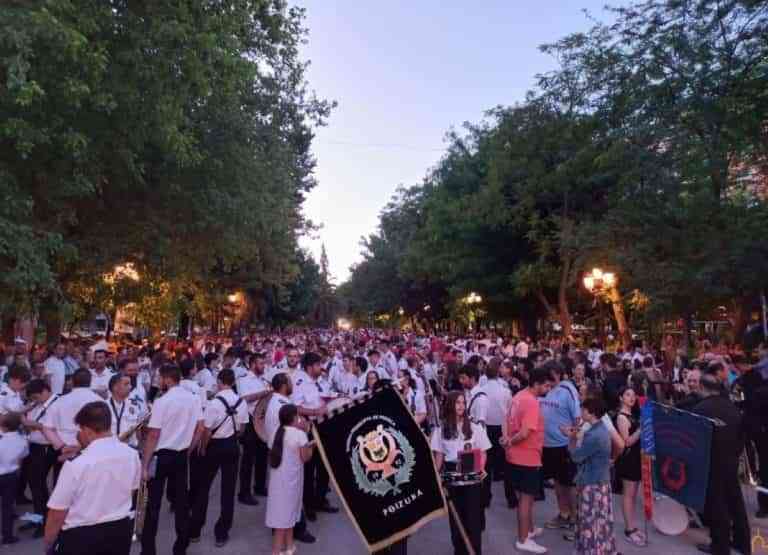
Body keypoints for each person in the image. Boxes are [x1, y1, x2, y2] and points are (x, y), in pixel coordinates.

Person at [43, 402, 140, 555]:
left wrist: (49, 542)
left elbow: (57, 512)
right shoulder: (131, 454)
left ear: (87, 430)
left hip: (82, 536)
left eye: (80, 429)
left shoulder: (77, 464)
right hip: (120, 529)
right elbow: (132, 491)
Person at [140, 364, 204, 555]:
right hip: (181, 455)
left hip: (161, 456)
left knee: (152, 506)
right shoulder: (193, 399)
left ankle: (149, 550)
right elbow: (200, 428)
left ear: (168, 379)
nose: (158, 382)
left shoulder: (162, 401)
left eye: (160, 378)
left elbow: (153, 435)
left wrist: (145, 463)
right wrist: (188, 449)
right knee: (181, 503)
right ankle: (181, 547)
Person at [692, 374, 751, 555]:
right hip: (731, 462)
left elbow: (695, 440)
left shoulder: (701, 408)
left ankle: (720, 547)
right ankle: (742, 543)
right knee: (735, 503)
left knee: (717, 506)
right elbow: (743, 435)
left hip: (712, 463)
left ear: (702, 387)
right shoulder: (731, 407)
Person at [189, 368, 248, 547]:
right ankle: (222, 532)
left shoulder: (214, 402)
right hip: (232, 446)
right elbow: (242, 428)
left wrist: (203, 448)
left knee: (203, 487)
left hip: (214, 446)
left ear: (221, 382)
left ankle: (196, 529)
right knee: (228, 491)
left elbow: (206, 430)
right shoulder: (241, 402)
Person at [431, 391, 491, 555]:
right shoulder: (441, 429)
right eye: (457, 403)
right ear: (450, 405)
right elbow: (439, 457)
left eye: (463, 403)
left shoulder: (474, 427)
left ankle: (474, 551)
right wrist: (435, 477)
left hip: (472, 478)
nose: (461, 406)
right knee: (456, 523)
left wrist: (479, 468)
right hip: (451, 480)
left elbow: (484, 452)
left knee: (473, 521)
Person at [503, 367, 553, 554]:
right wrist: (510, 440)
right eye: (546, 386)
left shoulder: (518, 397)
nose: (548, 389)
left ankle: (529, 530)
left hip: (516, 456)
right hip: (527, 457)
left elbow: (506, 420)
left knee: (527, 498)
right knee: (526, 499)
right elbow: (525, 432)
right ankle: (523, 539)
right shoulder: (531, 402)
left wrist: (507, 441)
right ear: (537, 384)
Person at [265, 373, 315, 544]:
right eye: (290, 381)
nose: (293, 384)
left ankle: (279, 528)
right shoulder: (283, 405)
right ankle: (297, 529)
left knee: (279, 494)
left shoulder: (274, 401)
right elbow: (301, 426)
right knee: (292, 494)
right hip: (289, 456)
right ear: (284, 385)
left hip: (278, 453)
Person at [565, 397, 618, 555]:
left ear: (591, 412)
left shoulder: (594, 435)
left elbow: (576, 456)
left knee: (590, 522)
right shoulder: (600, 430)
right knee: (601, 522)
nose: (581, 413)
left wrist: (572, 438)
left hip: (592, 484)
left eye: (583, 410)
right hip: (600, 481)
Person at [540, 361, 580, 532]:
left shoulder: (568, 390)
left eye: (549, 375)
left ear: (556, 373)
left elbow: (577, 418)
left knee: (569, 484)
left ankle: (575, 518)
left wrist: (572, 440)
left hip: (564, 446)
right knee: (557, 483)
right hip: (548, 445)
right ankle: (563, 514)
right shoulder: (548, 388)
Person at [42, 369, 103, 480]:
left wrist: (62, 446)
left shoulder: (60, 401)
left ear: (72, 381)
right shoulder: (100, 401)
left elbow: (46, 428)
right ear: (90, 381)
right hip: (89, 453)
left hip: (65, 451)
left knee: (62, 491)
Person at [22, 379, 59, 535]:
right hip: (34, 448)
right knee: (35, 486)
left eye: (36, 397)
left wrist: (26, 421)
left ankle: (43, 523)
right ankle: (37, 518)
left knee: (39, 487)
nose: (34, 401)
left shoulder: (57, 404)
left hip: (46, 449)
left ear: (45, 391)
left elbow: (43, 426)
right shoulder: (38, 404)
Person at [237, 352, 271, 503]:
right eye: (260, 363)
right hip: (250, 420)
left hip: (263, 421)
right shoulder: (244, 379)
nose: (263, 366)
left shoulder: (262, 379)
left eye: (264, 363)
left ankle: (260, 486)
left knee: (263, 455)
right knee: (248, 458)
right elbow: (244, 398)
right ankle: (244, 492)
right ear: (252, 365)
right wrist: (264, 393)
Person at [614, 386, 644, 546]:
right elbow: (627, 442)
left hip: (637, 458)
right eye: (627, 395)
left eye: (633, 395)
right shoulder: (621, 417)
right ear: (621, 398)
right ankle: (629, 529)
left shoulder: (634, 414)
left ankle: (632, 525)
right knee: (628, 494)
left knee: (633, 495)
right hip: (628, 459)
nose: (631, 398)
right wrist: (641, 429)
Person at [0, 413, 29, 545]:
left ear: (4, 426)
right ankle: (7, 536)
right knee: (7, 507)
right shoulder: (22, 440)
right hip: (11, 475)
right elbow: (23, 455)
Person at [107, 373, 147, 448]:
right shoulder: (104, 407)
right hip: (110, 448)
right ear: (115, 387)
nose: (130, 387)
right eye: (126, 384)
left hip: (130, 449)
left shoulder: (134, 406)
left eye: (130, 384)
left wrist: (140, 448)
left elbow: (138, 431)